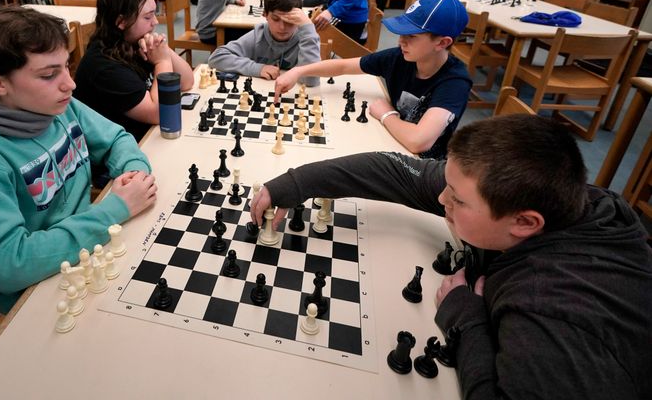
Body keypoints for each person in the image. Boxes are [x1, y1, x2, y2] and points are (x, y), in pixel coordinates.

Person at [250, 114, 652, 399]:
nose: (441, 198)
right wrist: (293, 184)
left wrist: (465, 315)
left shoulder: (554, 311)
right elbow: (390, 169)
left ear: (525, 223)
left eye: (457, 200)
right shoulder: (554, 199)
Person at [0, 6, 158, 313]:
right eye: (48, 74)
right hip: (42, 292)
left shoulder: (56, 106)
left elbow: (117, 139)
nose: (70, 83)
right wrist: (113, 211)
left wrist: (133, 172)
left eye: (67, 66)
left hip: (91, 246)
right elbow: (9, 265)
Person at [275, 0, 471, 159]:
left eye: (411, 36)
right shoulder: (400, 57)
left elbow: (418, 142)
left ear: (442, 43)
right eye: (401, 33)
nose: (401, 41)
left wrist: (386, 114)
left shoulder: (454, 82)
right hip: (391, 142)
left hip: (423, 170)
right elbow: (343, 66)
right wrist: (297, 71)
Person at [74, 0, 194, 143]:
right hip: (125, 153)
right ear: (121, 21)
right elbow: (160, 113)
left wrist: (163, 50)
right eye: (147, 17)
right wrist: (162, 63)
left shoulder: (133, 42)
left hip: (148, 137)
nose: (156, 22)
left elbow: (187, 81)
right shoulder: (104, 65)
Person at [208, 0, 320, 86]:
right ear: (265, 14)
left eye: (289, 21)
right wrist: (258, 68)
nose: (282, 27)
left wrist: (308, 26)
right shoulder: (258, 36)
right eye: (276, 19)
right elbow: (216, 58)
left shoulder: (306, 38)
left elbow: (311, 81)